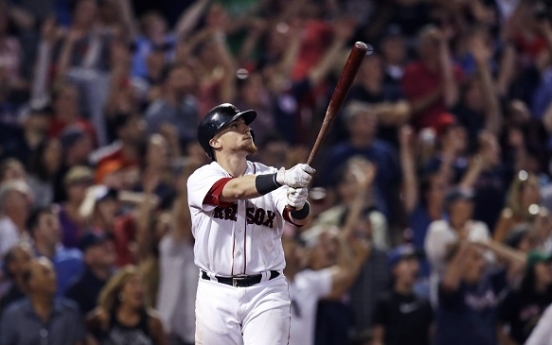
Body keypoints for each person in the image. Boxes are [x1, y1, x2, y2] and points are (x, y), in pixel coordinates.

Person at [187, 103, 315, 344]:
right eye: (235, 125)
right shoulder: (200, 178)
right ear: (215, 142)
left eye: (246, 124)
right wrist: (282, 178)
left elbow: (298, 218)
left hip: (266, 291)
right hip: (215, 291)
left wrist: (299, 202)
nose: (246, 128)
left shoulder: (272, 177)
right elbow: (233, 189)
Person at [0, 257, 86, 345]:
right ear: (31, 282)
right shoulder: (13, 315)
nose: (53, 277)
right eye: (46, 273)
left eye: (53, 272)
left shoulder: (70, 312)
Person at [86, 265, 167, 345]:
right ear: (120, 291)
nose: (139, 289)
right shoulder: (105, 316)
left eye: (141, 284)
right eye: (133, 283)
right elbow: (80, 329)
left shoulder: (153, 322)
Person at [372, 245, 434, 345]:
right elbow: (378, 339)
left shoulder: (425, 303)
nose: (414, 267)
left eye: (415, 262)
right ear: (394, 269)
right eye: (408, 262)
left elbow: (431, 335)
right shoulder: (384, 303)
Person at [498, 251, 552, 344]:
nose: (550, 268)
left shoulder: (550, 296)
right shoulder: (516, 294)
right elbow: (498, 326)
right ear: (533, 266)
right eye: (545, 264)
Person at [65, 232, 116, 315]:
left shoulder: (120, 280)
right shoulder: (78, 290)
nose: (109, 247)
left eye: (109, 243)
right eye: (101, 245)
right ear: (88, 256)